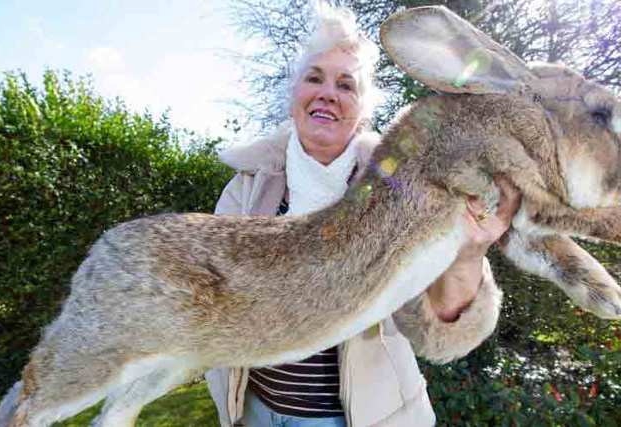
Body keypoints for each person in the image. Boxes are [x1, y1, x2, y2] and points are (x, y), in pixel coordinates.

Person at [205, 4, 521, 427]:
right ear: (294, 94)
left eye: (346, 85)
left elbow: (438, 331)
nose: (327, 93)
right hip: (252, 411)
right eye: (314, 78)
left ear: (362, 109)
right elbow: (213, 292)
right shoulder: (247, 186)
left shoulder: (404, 191)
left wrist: (466, 255)